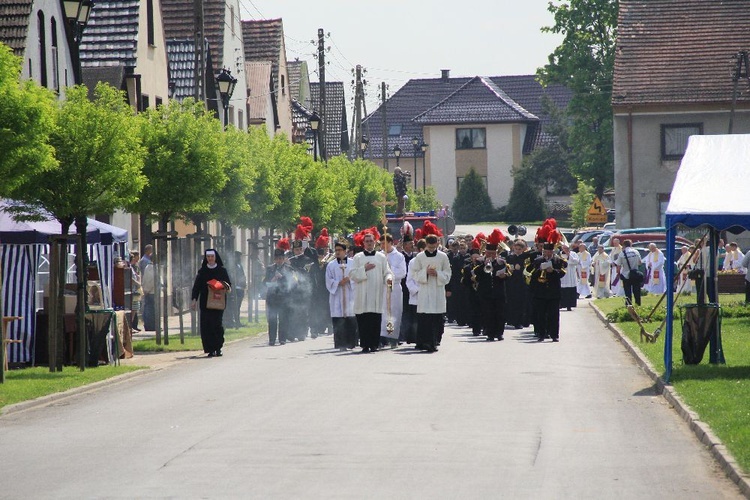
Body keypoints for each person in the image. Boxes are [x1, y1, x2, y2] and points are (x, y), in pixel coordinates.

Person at [350, 232, 393, 353]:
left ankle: (374, 343)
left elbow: (387, 271)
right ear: (363, 243)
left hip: (376, 292)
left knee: (375, 319)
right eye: (367, 241)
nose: (369, 243)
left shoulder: (381, 257)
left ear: (375, 242)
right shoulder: (358, 257)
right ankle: (364, 344)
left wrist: (389, 279)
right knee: (363, 320)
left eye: (371, 241)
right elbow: (352, 274)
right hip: (362, 293)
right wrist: (364, 269)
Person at [410, 234, 451, 351]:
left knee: (437, 319)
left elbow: (448, 273)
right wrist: (425, 272)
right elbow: (414, 273)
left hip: (438, 290)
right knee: (425, 319)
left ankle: (435, 341)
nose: (432, 249)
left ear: (438, 244)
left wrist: (438, 273)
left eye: (434, 247)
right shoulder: (420, 257)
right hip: (425, 290)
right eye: (430, 247)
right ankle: (425, 342)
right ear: (426, 245)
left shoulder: (443, 257)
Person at [190, 249, 232, 357]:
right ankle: (210, 349)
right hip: (205, 302)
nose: (210, 259)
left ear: (215, 257)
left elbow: (228, 284)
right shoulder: (202, 271)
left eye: (212, 257)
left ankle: (218, 347)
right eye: (208, 257)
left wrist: (218, 285)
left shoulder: (222, 270)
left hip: (218, 301)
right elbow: (196, 287)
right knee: (206, 325)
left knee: (217, 324)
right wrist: (194, 299)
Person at [471, 229, 509, 341]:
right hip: (485, 292)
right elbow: (475, 274)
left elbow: (508, 273)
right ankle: (490, 334)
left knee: (500, 314)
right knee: (488, 314)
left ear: (496, 253)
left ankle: (499, 333)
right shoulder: (479, 261)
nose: (491, 255)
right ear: (485, 252)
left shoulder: (502, 262)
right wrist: (484, 265)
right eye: (489, 253)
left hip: (499, 292)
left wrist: (504, 276)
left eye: (493, 254)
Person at [527, 240, 567, 342]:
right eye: (545, 251)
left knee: (554, 315)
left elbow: (562, 273)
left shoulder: (558, 260)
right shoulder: (538, 260)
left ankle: (554, 334)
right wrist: (539, 270)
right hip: (540, 292)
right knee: (541, 314)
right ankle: (541, 334)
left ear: (552, 251)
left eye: (548, 252)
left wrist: (553, 271)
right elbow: (530, 273)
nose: (546, 254)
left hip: (554, 292)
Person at [326, 241, 357, 350]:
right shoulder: (331, 265)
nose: (338, 252)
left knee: (350, 317)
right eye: (336, 250)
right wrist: (338, 283)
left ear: (345, 251)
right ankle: (340, 344)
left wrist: (349, 279)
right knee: (338, 319)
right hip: (337, 295)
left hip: (349, 293)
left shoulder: (353, 263)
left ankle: (351, 343)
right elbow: (328, 280)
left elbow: (357, 276)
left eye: (340, 250)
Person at [379, 233, 406, 348]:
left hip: (394, 287)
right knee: (382, 312)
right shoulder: (378, 255)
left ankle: (393, 337)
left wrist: (390, 268)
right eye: (381, 243)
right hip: (382, 287)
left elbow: (402, 272)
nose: (383, 246)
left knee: (393, 312)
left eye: (385, 243)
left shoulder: (399, 256)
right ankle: (381, 338)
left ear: (391, 243)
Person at [264, 248, 293, 346]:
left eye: (281, 258)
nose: (279, 260)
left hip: (284, 297)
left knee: (283, 319)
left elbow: (291, 283)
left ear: (284, 258)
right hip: (272, 297)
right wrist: (273, 279)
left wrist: (282, 278)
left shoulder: (288, 268)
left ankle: (282, 338)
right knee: (272, 319)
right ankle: (272, 339)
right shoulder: (269, 269)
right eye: (277, 258)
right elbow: (265, 283)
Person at [505, 238, 532, 328]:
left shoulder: (525, 258)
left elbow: (527, 269)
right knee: (512, 301)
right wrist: (510, 269)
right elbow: (507, 268)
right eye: (516, 249)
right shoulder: (510, 257)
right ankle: (511, 319)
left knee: (521, 302)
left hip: (521, 282)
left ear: (523, 249)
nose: (517, 251)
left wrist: (520, 269)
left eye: (519, 249)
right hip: (511, 282)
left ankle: (520, 321)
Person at [616, 239, 643, 306]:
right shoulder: (636, 252)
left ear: (624, 245)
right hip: (635, 274)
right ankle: (638, 305)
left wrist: (618, 273)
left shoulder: (622, 253)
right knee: (637, 291)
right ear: (631, 244)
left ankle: (628, 306)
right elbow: (640, 263)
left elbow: (618, 266)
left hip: (626, 275)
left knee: (627, 292)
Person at [559, 244, 579, 311]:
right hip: (564, 276)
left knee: (571, 289)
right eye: (564, 248)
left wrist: (569, 255)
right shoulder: (560, 254)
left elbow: (576, 261)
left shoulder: (573, 254)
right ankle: (562, 305)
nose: (566, 250)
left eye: (567, 248)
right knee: (563, 290)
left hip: (571, 274)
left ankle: (569, 305)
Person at [141, 254, 156, 331]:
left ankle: (151, 325)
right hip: (151, 292)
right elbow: (151, 281)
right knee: (150, 310)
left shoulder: (149, 267)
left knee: (150, 309)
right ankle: (150, 326)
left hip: (150, 291)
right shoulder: (151, 268)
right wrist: (147, 290)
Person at [128, 252, 142, 332]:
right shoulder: (128, 267)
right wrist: (138, 283)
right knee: (132, 310)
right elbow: (130, 278)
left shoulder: (131, 267)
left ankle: (131, 326)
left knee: (134, 309)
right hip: (132, 291)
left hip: (134, 291)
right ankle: (130, 327)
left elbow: (135, 276)